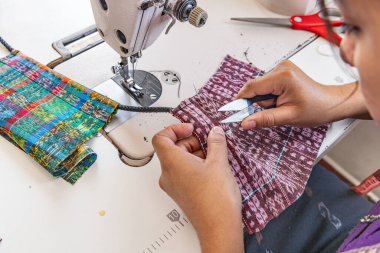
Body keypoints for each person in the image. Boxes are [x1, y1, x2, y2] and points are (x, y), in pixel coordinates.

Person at [152, 0, 380, 252]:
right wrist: (338, 101)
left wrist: (218, 228)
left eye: (361, 31)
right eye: (348, 27)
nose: (346, 49)